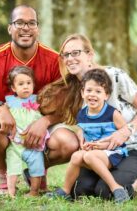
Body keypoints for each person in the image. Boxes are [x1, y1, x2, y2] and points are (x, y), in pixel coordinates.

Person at [0, 5, 78, 194]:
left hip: (41, 126)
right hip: (7, 126)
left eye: (31, 23)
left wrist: (45, 121)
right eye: (19, 23)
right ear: (10, 28)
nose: (25, 28)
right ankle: (5, 175)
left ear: (37, 28)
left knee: (69, 143)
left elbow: (68, 104)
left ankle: (34, 170)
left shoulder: (54, 59)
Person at [37, 33, 137, 200]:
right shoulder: (78, 89)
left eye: (76, 53)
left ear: (90, 55)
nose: (70, 58)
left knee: (105, 192)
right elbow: (87, 120)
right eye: (66, 55)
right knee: (80, 190)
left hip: (134, 149)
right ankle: (117, 177)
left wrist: (124, 132)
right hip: (102, 153)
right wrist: (81, 133)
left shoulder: (114, 76)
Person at [47, 68, 131, 203]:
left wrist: (102, 145)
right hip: (93, 152)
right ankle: (65, 191)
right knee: (76, 156)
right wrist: (81, 135)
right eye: (89, 90)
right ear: (82, 93)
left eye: (98, 91)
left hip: (113, 153)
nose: (93, 95)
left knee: (88, 155)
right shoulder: (82, 114)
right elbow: (82, 128)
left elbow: (124, 134)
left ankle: (116, 188)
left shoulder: (113, 114)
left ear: (106, 95)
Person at [5, 66, 49, 197]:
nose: (25, 87)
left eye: (29, 83)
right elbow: (3, 113)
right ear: (13, 88)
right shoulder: (10, 102)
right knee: (12, 166)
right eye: (21, 84)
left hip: (33, 143)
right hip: (15, 144)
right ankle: (11, 192)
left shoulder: (37, 99)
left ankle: (34, 191)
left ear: (33, 85)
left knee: (37, 165)